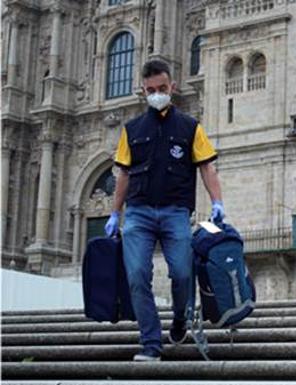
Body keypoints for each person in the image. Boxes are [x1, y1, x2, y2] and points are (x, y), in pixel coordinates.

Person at [105, 59, 225, 361]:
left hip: (175, 214)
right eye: (151, 90)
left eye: (162, 88)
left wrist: (217, 202)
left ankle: (180, 319)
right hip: (139, 214)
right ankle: (150, 344)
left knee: (183, 273)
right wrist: (114, 214)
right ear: (143, 91)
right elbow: (123, 175)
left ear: (172, 86)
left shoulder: (190, 127)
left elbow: (207, 168)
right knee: (137, 276)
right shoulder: (131, 130)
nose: (157, 94)